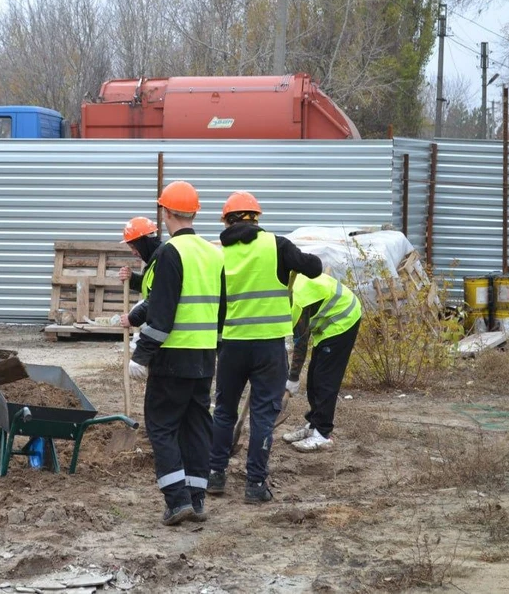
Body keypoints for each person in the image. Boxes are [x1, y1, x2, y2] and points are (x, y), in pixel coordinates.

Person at [207, 191, 322, 504]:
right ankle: (255, 485)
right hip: (269, 347)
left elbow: (214, 302)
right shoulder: (277, 245)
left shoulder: (218, 254)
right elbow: (314, 268)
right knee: (262, 415)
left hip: (231, 346)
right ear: (256, 218)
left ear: (227, 221)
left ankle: (215, 474)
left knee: (224, 411)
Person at [129, 181, 226, 526]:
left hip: (172, 358)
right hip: (204, 358)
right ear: (194, 212)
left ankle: (176, 500)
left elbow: (162, 312)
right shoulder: (214, 253)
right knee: (197, 426)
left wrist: (140, 355)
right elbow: (221, 309)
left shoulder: (171, 253)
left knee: (161, 426)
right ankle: (197, 500)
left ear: (165, 213)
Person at [283, 272, 362, 452]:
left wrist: (293, 379)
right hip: (327, 324)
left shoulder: (298, 302)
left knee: (325, 380)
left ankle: (322, 434)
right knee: (313, 377)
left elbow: (300, 345)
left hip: (343, 318)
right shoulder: (284, 290)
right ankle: (313, 426)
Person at [117, 216, 162, 330]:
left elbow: (157, 298)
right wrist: (132, 279)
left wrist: (132, 318)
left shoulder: (162, 259)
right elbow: (151, 286)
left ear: (143, 243)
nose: (133, 253)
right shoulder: (155, 260)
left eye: (133, 247)